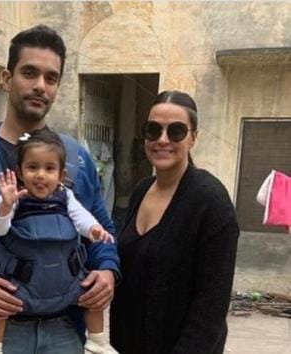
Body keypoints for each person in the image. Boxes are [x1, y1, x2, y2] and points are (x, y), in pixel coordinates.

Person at [0, 25, 120, 354]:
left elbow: (100, 228)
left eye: (51, 78)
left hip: (68, 329)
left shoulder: (76, 159)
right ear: (6, 78)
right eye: (30, 73)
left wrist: (108, 270)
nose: (40, 86)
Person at [109, 90, 240, 354]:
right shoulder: (141, 190)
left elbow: (210, 307)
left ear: (193, 138)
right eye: (153, 130)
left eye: (176, 131)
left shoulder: (210, 200)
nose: (162, 140)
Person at [0, 128, 117, 354]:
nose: (41, 175)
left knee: (93, 296)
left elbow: (81, 217)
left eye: (49, 168)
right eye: (33, 167)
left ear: (61, 175)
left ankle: (97, 340)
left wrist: (94, 229)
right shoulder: (15, 197)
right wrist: (4, 206)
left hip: (65, 280)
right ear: (20, 172)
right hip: (25, 281)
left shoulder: (65, 195)